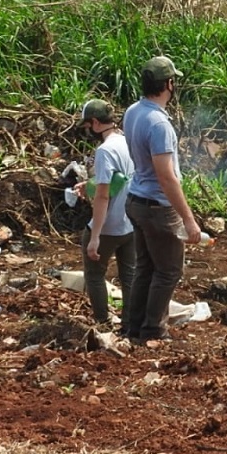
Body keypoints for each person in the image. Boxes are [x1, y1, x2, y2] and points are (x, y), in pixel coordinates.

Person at [122, 55, 205, 342]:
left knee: (145, 267)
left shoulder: (133, 111)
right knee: (168, 271)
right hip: (157, 206)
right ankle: (153, 331)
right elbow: (166, 177)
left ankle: (134, 327)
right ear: (169, 84)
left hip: (135, 200)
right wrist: (188, 219)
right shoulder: (159, 125)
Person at [74, 99, 136, 329]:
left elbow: (103, 196)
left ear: (96, 123)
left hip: (109, 226)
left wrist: (95, 236)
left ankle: (102, 322)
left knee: (94, 275)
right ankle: (130, 323)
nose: (88, 131)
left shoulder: (104, 151)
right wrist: (88, 185)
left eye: (88, 126)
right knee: (129, 276)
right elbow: (120, 180)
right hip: (130, 223)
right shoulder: (127, 142)